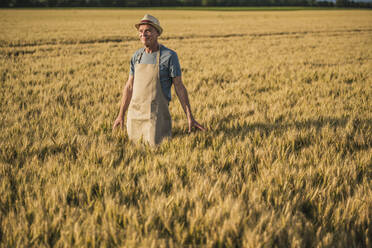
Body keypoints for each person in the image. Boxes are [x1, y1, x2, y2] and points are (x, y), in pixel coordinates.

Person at [113, 14, 205, 145]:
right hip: (134, 116)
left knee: (155, 149)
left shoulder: (169, 56)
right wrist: (121, 115)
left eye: (148, 31)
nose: (143, 34)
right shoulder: (136, 56)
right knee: (133, 151)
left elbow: (179, 86)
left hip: (155, 117)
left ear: (157, 33)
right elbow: (129, 86)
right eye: (140, 31)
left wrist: (190, 116)